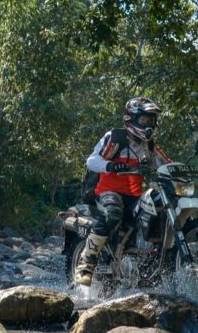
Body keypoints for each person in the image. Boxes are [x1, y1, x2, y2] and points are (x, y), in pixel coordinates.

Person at [73, 96, 172, 286]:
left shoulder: (149, 145)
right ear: (131, 119)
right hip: (108, 191)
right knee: (113, 211)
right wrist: (110, 166)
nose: (148, 124)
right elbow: (91, 161)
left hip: (135, 196)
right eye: (144, 119)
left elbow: (166, 164)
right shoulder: (115, 138)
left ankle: (155, 265)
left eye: (151, 120)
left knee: (158, 212)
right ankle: (86, 263)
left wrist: (180, 171)